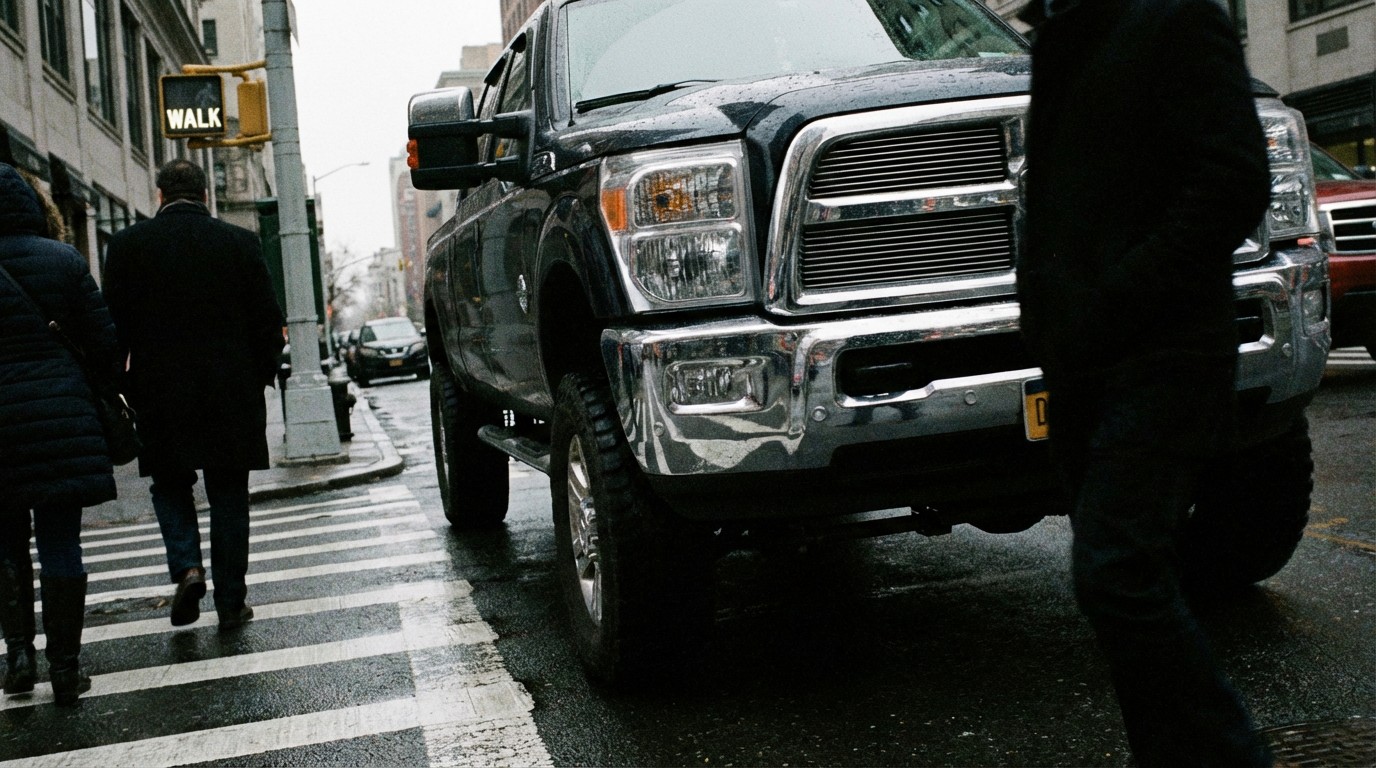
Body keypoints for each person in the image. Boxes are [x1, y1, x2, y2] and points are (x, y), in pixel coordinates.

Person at [1016, 0, 1274, 765]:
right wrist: (1052, 318)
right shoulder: (1065, 33)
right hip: (1082, 356)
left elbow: (1232, 180)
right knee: (1126, 577)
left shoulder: (1174, 16)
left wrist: (1119, 295)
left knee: (1117, 571)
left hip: (1163, 349)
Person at [103, 159, 284, 631]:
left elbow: (112, 331)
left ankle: (187, 567)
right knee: (228, 493)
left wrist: (123, 387)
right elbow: (269, 325)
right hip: (231, 391)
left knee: (169, 483)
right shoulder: (240, 244)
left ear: (159, 194)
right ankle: (230, 601)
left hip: (160, 392)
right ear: (205, 194)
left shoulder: (126, 247)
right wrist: (257, 378)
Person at [0, 163, 120, 705]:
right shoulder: (65, 260)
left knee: (5, 546)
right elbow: (104, 346)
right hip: (62, 423)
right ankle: (66, 669)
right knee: (59, 543)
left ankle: (19, 658)